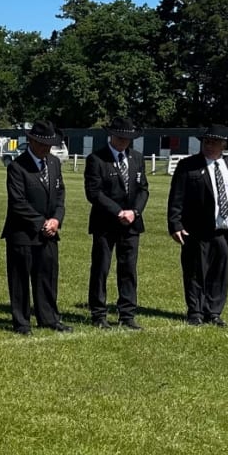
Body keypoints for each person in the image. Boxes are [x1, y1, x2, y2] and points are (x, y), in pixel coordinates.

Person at [1, 120, 71, 335]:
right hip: (22, 233)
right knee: (20, 278)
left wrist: (56, 220)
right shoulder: (17, 167)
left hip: (50, 232)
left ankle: (49, 317)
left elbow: (60, 194)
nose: (45, 149)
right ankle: (22, 322)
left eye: (49, 145)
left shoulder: (53, 163)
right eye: (41, 144)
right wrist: (41, 223)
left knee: (47, 276)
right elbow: (18, 202)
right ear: (30, 141)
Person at [84, 116, 149, 330]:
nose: (124, 142)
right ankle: (99, 313)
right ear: (112, 135)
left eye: (128, 138)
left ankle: (127, 314)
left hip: (131, 224)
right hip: (105, 223)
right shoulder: (96, 159)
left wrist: (135, 212)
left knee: (128, 268)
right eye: (120, 137)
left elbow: (143, 189)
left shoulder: (137, 158)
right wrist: (118, 211)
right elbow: (94, 193)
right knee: (101, 268)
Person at [167, 124, 228, 326]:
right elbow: (176, 198)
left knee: (219, 272)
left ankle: (214, 312)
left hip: (223, 231)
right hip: (196, 229)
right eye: (206, 142)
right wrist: (175, 224)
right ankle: (195, 311)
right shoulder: (188, 165)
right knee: (195, 271)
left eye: (214, 142)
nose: (209, 146)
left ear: (223, 144)